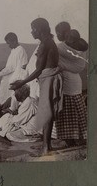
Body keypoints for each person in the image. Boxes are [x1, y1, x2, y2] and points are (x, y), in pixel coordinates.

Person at [10, 18, 63, 156]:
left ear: (40, 30)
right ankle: (47, 146)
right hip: (49, 78)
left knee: (46, 113)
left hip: (48, 79)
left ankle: (45, 149)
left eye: (33, 28)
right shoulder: (48, 42)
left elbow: (39, 69)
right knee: (47, 112)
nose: (31, 31)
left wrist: (21, 83)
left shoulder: (45, 44)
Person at [55, 25, 88, 147]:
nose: (57, 35)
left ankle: (70, 139)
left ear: (65, 33)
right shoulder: (78, 47)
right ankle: (77, 138)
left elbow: (77, 65)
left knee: (68, 111)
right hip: (75, 81)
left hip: (69, 82)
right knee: (77, 110)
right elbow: (79, 66)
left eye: (58, 32)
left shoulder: (62, 48)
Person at [0, 32, 28, 110]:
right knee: (7, 98)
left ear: (14, 41)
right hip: (11, 77)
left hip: (16, 78)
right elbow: (10, 65)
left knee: (11, 100)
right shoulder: (14, 50)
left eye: (9, 43)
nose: (8, 46)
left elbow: (11, 67)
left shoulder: (19, 50)